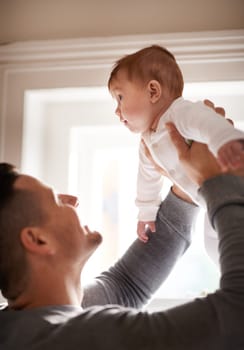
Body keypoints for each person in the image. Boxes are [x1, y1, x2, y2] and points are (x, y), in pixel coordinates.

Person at [1, 114, 244, 349]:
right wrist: (219, 180)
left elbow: (128, 285)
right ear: (38, 240)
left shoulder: (26, 324)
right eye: (54, 199)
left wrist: (186, 185)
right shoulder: (76, 338)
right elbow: (236, 313)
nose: (72, 200)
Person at [108, 45, 244, 242]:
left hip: (232, 185)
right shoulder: (147, 140)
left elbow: (207, 121)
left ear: (153, 91)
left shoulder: (179, 113)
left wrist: (225, 139)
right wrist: (146, 212)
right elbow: (147, 178)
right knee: (213, 244)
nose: (116, 110)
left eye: (120, 98)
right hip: (208, 201)